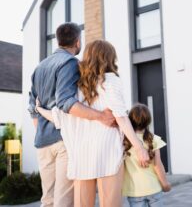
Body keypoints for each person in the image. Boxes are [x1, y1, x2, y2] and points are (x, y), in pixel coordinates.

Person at [36, 40, 150, 207]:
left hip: (82, 156)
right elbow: (121, 117)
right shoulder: (110, 80)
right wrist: (139, 147)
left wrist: (39, 109)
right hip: (108, 153)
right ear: (109, 58)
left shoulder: (75, 87)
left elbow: (60, 115)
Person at [28, 23, 116, 207]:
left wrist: (44, 133)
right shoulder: (70, 63)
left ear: (58, 41)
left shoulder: (40, 67)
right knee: (64, 201)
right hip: (63, 141)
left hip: (43, 142)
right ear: (77, 42)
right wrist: (101, 116)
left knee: (48, 200)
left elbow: (32, 108)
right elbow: (66, 102)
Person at [123, 103, 171, 207]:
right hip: (154, 189)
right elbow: (158, 165)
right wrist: (165, 184)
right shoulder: (154, 139)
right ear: (148, 121)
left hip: (135, 192)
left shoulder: (125, 141)